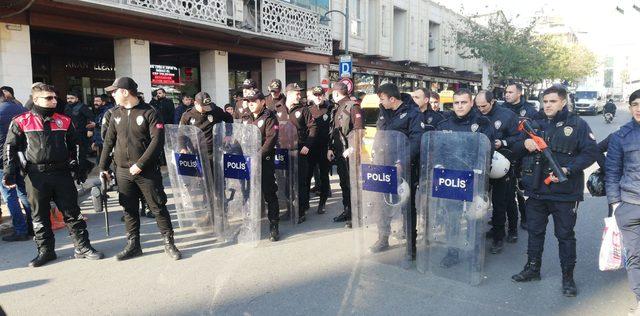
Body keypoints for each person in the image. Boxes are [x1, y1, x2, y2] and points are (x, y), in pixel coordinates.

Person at [511, 85, 600, 297]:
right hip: (536, 191)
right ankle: (533, 268)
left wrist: (570, 168)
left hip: (565, 192)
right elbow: (513, 150)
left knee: (565, 236)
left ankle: (568, 278)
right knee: (535, 233)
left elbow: (591, 152)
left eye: (552, 101)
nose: (548, 105)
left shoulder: (578, 124)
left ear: (562, 102)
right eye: (545, 101)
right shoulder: (533, 123)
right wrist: (526, 143)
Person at [3, 83, 103, 267]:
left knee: (73, 213)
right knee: (39, 216)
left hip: (62, 173)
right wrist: (9, 171)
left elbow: (77, 145)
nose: (54, 101)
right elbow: (10, 147)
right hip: (35, 176)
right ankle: (46, 251)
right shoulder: (21, 120)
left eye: (55, 97)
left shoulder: (65, 120)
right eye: (49, 98)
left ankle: (82, 247)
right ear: (35, 100)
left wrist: (80, 167)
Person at [99, 77, 182, 261]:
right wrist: (103, 167)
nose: (112, 94)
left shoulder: (150, 112)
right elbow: (109, 141)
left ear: (125, 92)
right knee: (128, 209)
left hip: (146, 171)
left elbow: (157, 141)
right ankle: (133, 245)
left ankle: (169, 243)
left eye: (115, 91)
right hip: (122, 170)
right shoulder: (115, 113)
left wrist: (140, 164)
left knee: (158, 207)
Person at [436, 89, 496, 268]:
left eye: (463, 102)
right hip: (450, 178)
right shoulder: (444, 124)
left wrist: (479, 171)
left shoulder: (482, 123)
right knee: (451, 218)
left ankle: (475, 253)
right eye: (456, 103)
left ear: (471, 103)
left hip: (474, 177)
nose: (460, 106)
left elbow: (487, 150)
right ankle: (452, 252)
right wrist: (438, 165)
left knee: (474, 217)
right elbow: (438, 150)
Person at [371, 83, 424, 262]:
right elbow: (380, 135)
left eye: (382, 98)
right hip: (383, 166)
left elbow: (416, 141)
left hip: (404, 168)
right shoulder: (383, 111)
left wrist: (402, 161)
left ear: (392, 99)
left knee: (406, 207)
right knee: (382, 205)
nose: (381, 101)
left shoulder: (413, 113)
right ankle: (383, 238)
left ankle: (410, 248)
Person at [605, 89, 640, 313]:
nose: (639, 108)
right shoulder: (621, 136)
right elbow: (612, 172)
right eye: (635, 104)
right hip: (630, 205)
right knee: (635, 258)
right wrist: (616, 205)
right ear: (629, 108)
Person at [475, 90, 522, 253]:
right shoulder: (475, 115)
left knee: (504, 201)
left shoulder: (507, 115)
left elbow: (519, 137)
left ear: (492, 101)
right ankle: (495, 229)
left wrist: (502, 142)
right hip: (482, 164)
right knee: (482, 200)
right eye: (478, 106)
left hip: (503, 164)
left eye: (484, 106)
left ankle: (505, 234)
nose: (481, 109)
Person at [240, 89, 281, 241]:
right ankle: (251, 224)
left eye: (254, 101)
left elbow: (270, 139)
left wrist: (257, 156)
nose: (250, 104)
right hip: (248, 162)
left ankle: (274, 225)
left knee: (269, 193)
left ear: (262, 102)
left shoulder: (269, 117)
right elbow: (241, 136)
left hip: (264, 161)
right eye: (249, 102)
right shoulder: (246, 116)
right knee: (249, 194)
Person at [274, 83, 317, 223]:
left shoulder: (304, 110)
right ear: (289, 93)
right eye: (297, 93)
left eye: (300, 93)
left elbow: (313, 128)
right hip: (283, 151)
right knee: (286, 182)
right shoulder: (278, 109)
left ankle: (301, 210)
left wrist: (308, 145)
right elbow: (274, 128)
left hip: (299, 150)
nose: (300, 95)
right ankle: (289, 208)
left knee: (300, 182)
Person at [328, 82, 364, 226]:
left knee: (352, 184)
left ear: (336, 93)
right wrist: (330, 148)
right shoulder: (336, 108)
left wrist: (352, 148)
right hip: (339, 151)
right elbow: (333, 130)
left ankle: (356, 215)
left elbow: (359, 130)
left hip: (350, 152)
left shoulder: (353, 106)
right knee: (344, 183)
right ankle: (347, 210)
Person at [503, 82, 538, 230]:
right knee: (506, 189)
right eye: (506, 92)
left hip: (525, 156)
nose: (507, 94)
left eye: (510, 92)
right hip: (507, 153)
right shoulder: (501, 110)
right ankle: (502, 217)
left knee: (522, 190)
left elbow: (536, 131)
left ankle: (525, 217)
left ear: (519, 93)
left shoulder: (530, 110)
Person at [0, 93, 33, 241]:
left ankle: (20, 230)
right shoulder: (21, 109)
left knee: (10, 195)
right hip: (22, 157)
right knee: (23, 193)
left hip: (3, 160)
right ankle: (33, 227)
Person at [306, 86, 332, 214]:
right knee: (307, 175)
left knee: (324, 176)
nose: (318, 97)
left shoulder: (329, 108)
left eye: (320, 94)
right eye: (315, 95)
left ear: (324, 95)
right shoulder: (308, 109)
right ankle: (305, 204)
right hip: (311, 148)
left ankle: (322, 203)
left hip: (324, 148)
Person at [65, 91, 95, 156]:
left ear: (77, 99)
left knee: (81, 153)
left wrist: (90, 130)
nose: (69, 100)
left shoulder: (82, 107)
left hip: (81, 134)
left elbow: (91, 118)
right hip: (70, 133)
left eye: (72, 98)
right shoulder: (66, 107)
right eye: (68, 98)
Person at [92, 94, 113, 166]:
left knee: (105, 163)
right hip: (100, 142)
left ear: (103, 102)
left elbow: (107, 126)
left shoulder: (109, 111)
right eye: (94, 101)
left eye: (98, 101)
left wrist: (96, 125)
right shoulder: (99, 111)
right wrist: (95, 141)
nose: (95, 103)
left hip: (107, 142)